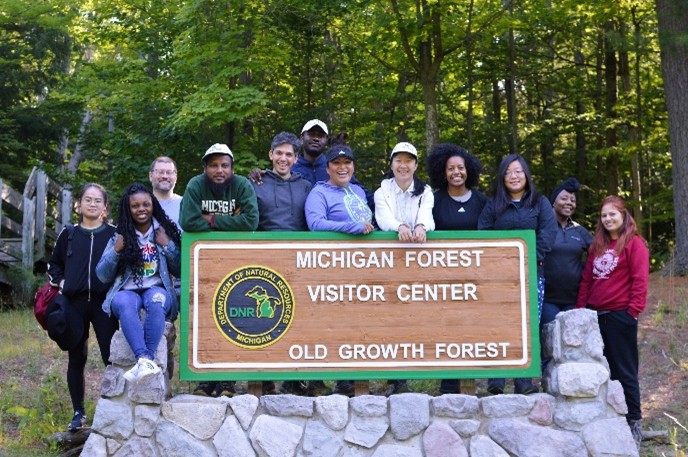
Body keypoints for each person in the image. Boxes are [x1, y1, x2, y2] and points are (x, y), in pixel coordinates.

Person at [180, 143, 259, 397]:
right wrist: (230, 221)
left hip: (236, 259)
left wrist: (210, 219)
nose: (219, 170)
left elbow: (250, 222)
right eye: (213, 165)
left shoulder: (242, 186)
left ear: (232, 168)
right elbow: (188, 221)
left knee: (232, 317)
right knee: (204, 319)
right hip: (203, 262)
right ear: (205, 167)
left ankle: (227, 380)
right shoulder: (195, 185)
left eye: (224, 165)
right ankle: (206, 380)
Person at [478, 153, 557, 395]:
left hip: (532, 273)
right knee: (497, 324)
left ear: (526, 175)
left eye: (518, 172)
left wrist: (525, 258)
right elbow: (483, 233)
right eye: (508, 172)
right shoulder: (493, 205)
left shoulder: (539, 202)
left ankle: (524, 382)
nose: (513, 176)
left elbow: (548, 233)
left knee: (527, 325)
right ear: (502, 177)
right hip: (498, 277)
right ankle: (496, 381)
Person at [575, 196, 649, 447]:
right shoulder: (597, 245)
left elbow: (640, 281)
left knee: (624, 372)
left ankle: (634, 423)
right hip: (594, 318)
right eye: (604, 216)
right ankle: (608, 421)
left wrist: (633, 312)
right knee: (601, 372)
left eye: (612, 215)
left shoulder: (634, 244)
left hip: (620, 317)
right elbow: (587, 281)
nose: (608, 219)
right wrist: (581, 312)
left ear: (623, 215)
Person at [251, 131, 319, 396]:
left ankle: (297, 380)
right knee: (265, 322)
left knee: (299, 321)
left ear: (295, 158)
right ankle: (263, 377)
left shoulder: (306, 186)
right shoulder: (255, 182)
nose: (283, 158)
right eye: (278, 153)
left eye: (289, 154)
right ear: (270, 155)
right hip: (265, 259)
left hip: (299, 262)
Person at [47, 183, 119, 432]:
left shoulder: (114, 234)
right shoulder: (68, 234)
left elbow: (122, 266)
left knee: (112, 357)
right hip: (74, 304)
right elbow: (53, 265)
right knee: (77, 357)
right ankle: (78, 413)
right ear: (79, 204)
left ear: (105, 206)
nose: (92, 204)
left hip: (103, 304)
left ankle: (113, 408)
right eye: (87, 199)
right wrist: (63, 281)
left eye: (97, 200)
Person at [305, 141, 374, 396]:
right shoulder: (319, 192)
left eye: (347, 163)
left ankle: (352, 379)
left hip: (362, 270)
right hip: (331, 270)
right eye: (337, 163)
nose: (342, 168)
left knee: (358, 324)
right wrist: (351, 229)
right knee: (333, 324)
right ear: (328, 168)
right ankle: (324, 378)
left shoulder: (357, 191)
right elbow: (315, 224)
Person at [96, 183, 182, 386]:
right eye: (135, 206)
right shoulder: (121, 234)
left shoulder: (163, 231)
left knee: (157, 300)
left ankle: (144, 361)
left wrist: (167, 246)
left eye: (146, 204)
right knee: (125, 303)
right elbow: (102, 275)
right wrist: (116, 251)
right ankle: (146, 360)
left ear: (153, 205)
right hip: (127, 291)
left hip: (156, 289)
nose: (141, 209)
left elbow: (179, 270)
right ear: (128, 208)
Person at [426, 143, 488, 395]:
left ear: (468, 170)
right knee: (446, 328)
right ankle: (448, 386)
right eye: (450, 169)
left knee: (470, 329)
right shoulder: (435, 199)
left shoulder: (482, 201)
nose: (456, 173)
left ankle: (470, 382)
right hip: (441, 278)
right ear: (443, 172)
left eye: (460, 168)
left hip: (474, 279)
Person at [374, 141, 434, 395]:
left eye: (408, 160)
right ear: (391, 164)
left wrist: (421, 226)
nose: (403, 165)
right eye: (398, 160)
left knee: (415, 317)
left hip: (416, 264)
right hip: (388, 262)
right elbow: (383, 218)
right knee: (389, 319)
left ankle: (412, 371)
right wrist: (398, 227)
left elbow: (428, 216)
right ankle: (393, 377)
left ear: (415, 165)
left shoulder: (426, 191)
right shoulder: (381, 191)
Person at [250, 120, 374, 209]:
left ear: (326, 140)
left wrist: (385, 199)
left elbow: (363, 195)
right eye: (311, 134)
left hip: (328, 229)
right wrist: (258, 175)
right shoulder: (289, 166)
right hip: (298, 230)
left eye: (320, 136)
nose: (316, 138)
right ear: (301, 138)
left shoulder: (335, 168)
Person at [542, 178, 593, 326]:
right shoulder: (542, 227)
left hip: (574, 302)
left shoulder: (579, 231)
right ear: (553, 201)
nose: (569, 202)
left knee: (572, 347)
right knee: (552, 344)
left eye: (573, 200)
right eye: (564, 198)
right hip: (547, 301)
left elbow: (598, 256)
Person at [149, 156, 182, 230]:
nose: (165, 176)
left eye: (169, 172)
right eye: (160, 172)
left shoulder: (187, 204)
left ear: (176, 177)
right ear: (150, 176)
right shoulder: (140, 206)